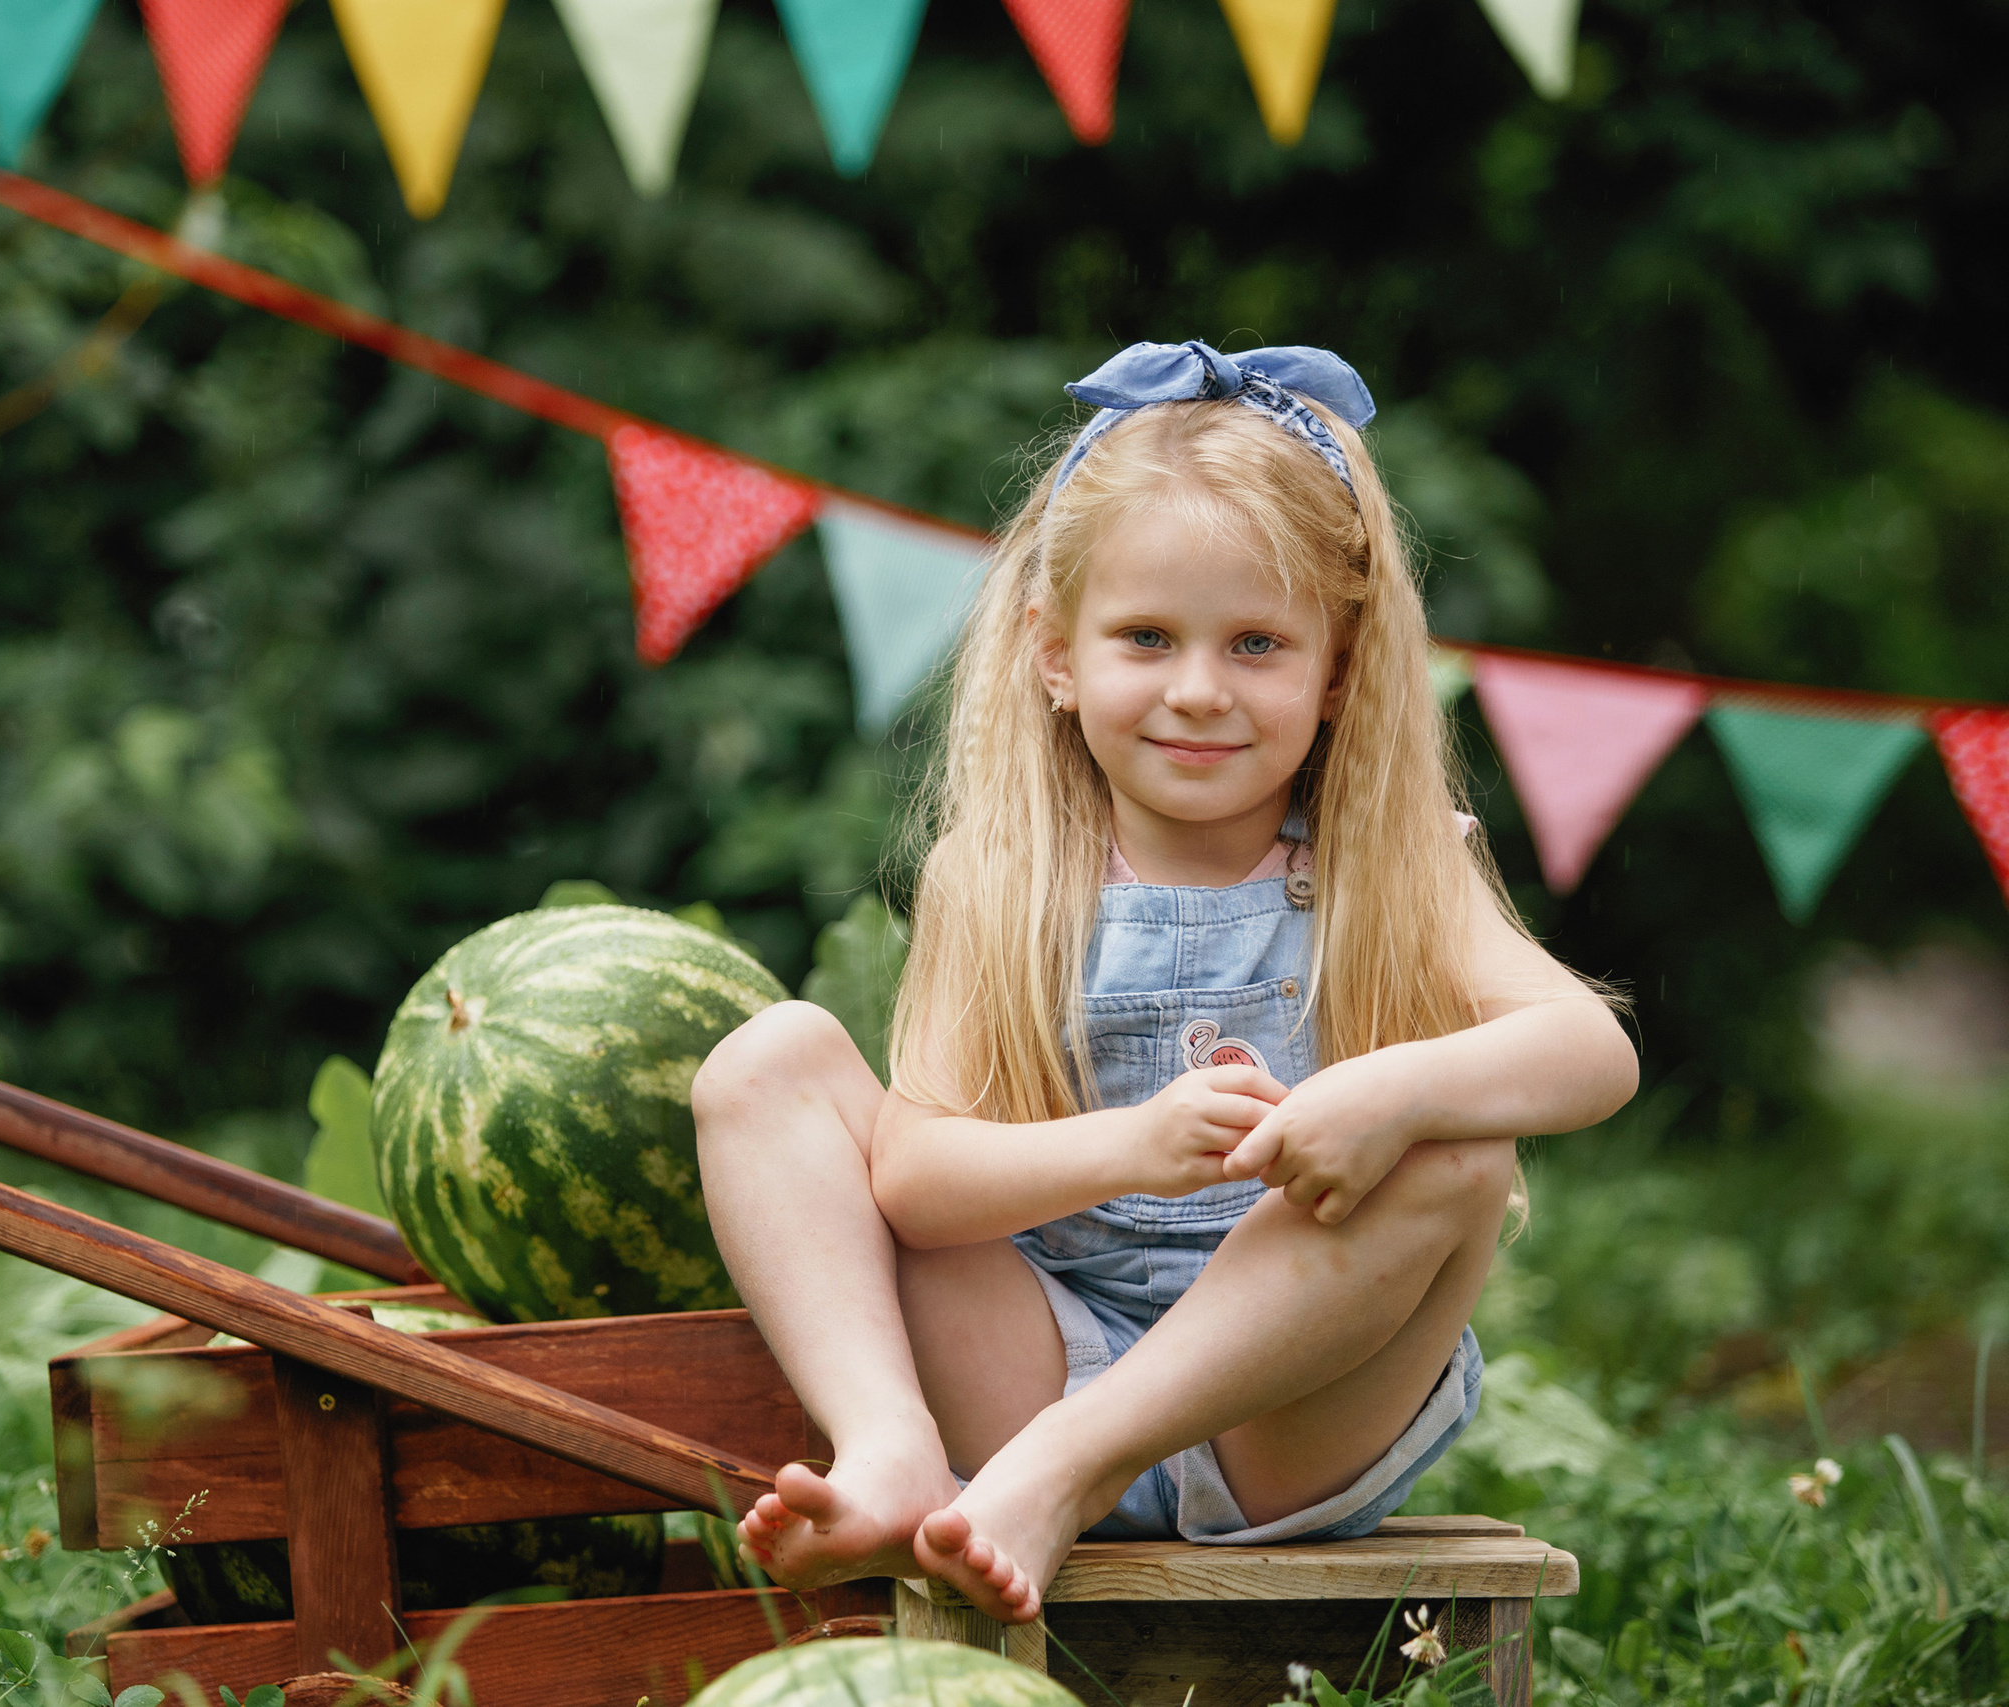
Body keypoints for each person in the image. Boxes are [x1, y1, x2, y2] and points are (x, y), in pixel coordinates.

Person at [690, 341, 1639, 1625]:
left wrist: (1391, 1094)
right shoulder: (1008, 870)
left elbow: (1591, 1053)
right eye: (1146, 637)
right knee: (770, 1062)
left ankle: (1060, 1476)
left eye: (1256, 643)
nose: (1199, 692)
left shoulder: (1390, 860)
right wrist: (1131, 1147)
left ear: (1339, 669)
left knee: (1458, 1153)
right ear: (1056, 654)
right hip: (1034, 1364)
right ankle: (893, 1451)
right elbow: (915, 1182)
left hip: (1287, 1418)